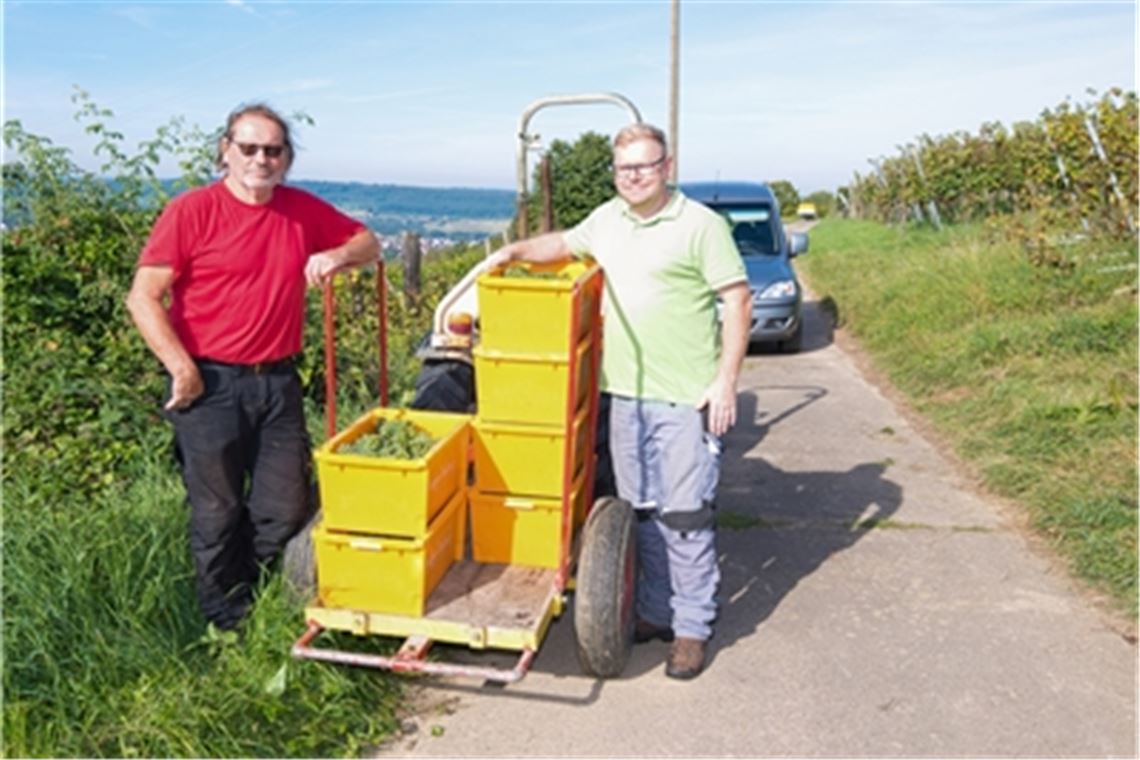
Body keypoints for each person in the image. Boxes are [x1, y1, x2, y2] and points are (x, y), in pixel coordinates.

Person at [489, 123, 750, 679]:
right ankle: (656, 611)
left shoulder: (700, 226)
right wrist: (513, 250)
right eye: (624, 168)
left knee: (685, 516)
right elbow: (561, 244)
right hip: (625, 396)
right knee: (641, 513)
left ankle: (691, 628)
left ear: (668, 166)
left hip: (684, 397)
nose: (633, 176)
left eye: (645, 165)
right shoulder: (609, 219)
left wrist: (725, 380)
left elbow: (737, 299)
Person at [126, 103, 380, 631]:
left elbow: (369, 244)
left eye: (273, 150)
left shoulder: (299, 209)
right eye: (249, 148)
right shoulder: (192, 210)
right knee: (216, 512)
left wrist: (336, 257)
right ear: (225, 151)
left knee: (283, 508)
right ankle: (227, 621)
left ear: (286, 157)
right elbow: (143, 298)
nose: (261, 159)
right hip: (209, 384)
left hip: (278, 382)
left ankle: (262, 591)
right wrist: (181, 368)